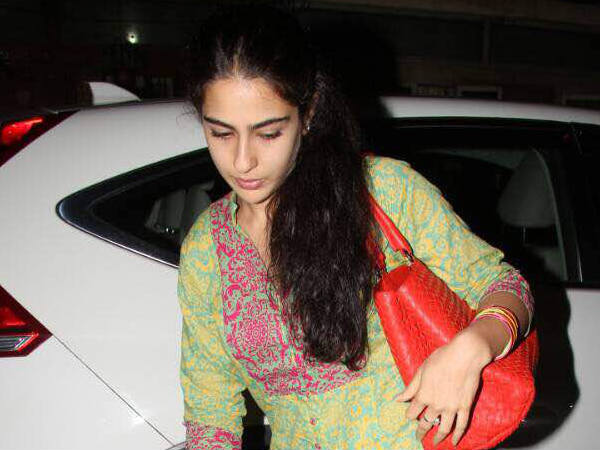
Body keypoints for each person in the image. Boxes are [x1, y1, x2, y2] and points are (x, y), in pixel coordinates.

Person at [178, 7, 534, 450]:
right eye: (221, 133)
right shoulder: (206, 250)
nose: (243, 160)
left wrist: (472, 347)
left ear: (307, 114)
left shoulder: (382, 192)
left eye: (268, 134)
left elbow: (506, 286)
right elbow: (210, 416)